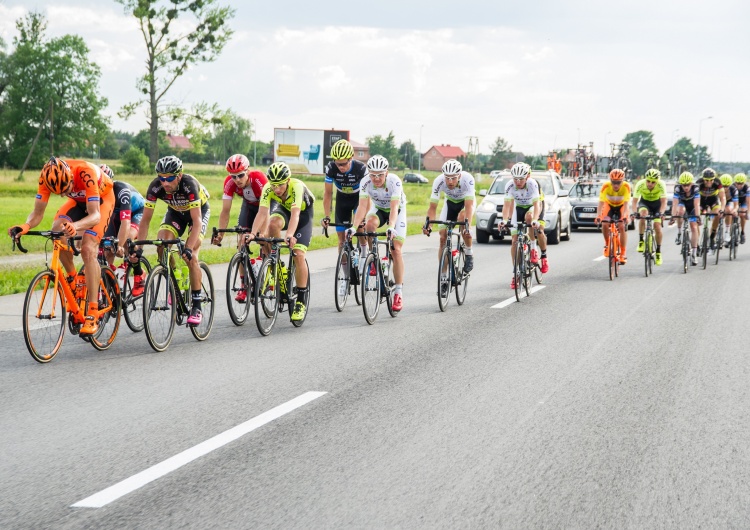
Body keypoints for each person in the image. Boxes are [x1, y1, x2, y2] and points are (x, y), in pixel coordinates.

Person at [8, 157, 115, 335]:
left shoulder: (85, 172)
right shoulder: (46, 177)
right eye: (60, 193)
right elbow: (37, 213)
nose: (65, 194)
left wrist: (76, 226)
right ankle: (73, 280)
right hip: (78, 202)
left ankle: (93, 313)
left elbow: (95, 215)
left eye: (67, 188)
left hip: (102, 201)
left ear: (71, 177)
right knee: (56, 230)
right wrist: (25, 227)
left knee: (88, 249)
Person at [135, 155, 210, 326]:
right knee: (161, 244)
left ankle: (197, 306)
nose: (165, 183)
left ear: (179, 175)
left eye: (169, 178)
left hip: (198, 214)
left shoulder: (189, 185)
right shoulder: (155, 187)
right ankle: (174, 275)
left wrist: (189, 248)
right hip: (176, 213)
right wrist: (138, 248)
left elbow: (197, 221)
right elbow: (145, 220)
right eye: (162, 178)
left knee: (191, 256)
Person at [247, 162, 315, 322]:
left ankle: (301, 300)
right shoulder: (268, 188)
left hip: (303, 214)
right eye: (274, 185)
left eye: (280, 185)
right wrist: (252, 233)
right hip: (284, 209)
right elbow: (262, 212)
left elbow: (295, 215)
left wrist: (290, 235)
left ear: (288, 180)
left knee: (298, 254)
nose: (276, 189)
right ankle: (277, 263)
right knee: (272, 224)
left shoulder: (297, 187)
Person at [346, 155, 406, 311]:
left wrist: (391, 226)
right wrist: (354, 227)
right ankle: (374, 258)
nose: (376, 178)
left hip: (397, 211)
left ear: (386, 172)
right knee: (370, 225)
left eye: (380, 174)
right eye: (373, 174)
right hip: (378, 209)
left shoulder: (394, 181)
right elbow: (362, 207)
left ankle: (398, 292)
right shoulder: (365, 182)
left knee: (396, 249)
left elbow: (394, 208)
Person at [211, 154, 268, 303]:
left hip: (266, 207)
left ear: (248, 171)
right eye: (233, 176)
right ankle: (244, 286)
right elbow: (225, 211)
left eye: (241, 175)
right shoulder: (229, 183)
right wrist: (221, 235)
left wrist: (260, 231)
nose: (237, 180)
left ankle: (268, 271)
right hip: (249, 207)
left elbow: (265, 210)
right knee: (241, 242)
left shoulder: (259, 179)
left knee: (263, 238)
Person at [422, 159, 476, 287]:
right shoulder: (438, 181)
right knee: (442, 237)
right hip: (450, 203)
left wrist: (467, 225)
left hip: (465, 203)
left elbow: (469, 206)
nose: (450, 181)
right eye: (447, 178)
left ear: (459, 176)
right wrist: (428, 225)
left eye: (453, 178)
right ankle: (444, 277)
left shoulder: (468, 179)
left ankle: (469, 253)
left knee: (463, 219)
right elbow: (433, 207)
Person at [99, 164, 147, 296]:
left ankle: (139, 274)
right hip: (117, 214)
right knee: (108, 247)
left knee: (127, 240)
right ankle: (108, 281)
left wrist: (120, 245)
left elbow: (125, 222)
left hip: (136, 211)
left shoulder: (121, 191)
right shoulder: (95, 193)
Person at [496, 162, 542, 289]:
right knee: (515, 241)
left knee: (529, 219)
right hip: (518, 208)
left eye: (521, 179)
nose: (518, 182)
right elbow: (507, 205)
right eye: (515, 179)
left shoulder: (532, 184)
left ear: (527, 177)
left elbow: (537, 205)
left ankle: (533, 247)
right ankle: (515, 272)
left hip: (531, 207)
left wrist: (535, 220)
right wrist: (505, 220)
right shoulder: (509, 185)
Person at [321, 139, 369, 256]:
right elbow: (328, 194)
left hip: (359, 198)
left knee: (359, 228)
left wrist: (364, 217)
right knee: (341, 240)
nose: (340, 167)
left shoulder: (361, 169)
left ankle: (364, 251)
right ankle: (345, 273)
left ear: (351, 158)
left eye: (343, 164)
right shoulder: (331, 168)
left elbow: (367, 197)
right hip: (342, 199)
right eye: (338, 164)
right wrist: (327, 216)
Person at [631, 168, 667, 265]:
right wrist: (635, 212)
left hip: (657, 204)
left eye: (653, 182)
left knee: (657, 227)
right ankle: (641, 240)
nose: (650, 184)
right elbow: (634, 202)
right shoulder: (640, 184)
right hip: (645, 203)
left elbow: (664, 202)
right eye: (648, 181)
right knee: (643, 215)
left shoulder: (661, 184)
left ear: (657, 182)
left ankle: (658, 252)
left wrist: (662, 213)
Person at [595, 168, 631, 263]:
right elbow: (601, 203)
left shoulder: (626, 186)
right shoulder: (605, 186)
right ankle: (607, 244)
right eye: (613, 182)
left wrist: (625, 216)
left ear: (622, 181)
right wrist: (598, 216)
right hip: (609, 206)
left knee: (621, 226)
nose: (615, 185)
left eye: (618, 182)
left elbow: (627, 204)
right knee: (605, 223)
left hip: (621, 206)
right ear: (610, 181)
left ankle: (623, 253)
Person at [669, 171, 702, 265]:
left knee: (694, 227)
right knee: (680, 211)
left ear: (691, 183)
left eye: (688, 185)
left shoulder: (695, 188)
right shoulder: (678, 188)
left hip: (692, 206)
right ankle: (679, 232)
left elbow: (697, 204)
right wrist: (672, 216)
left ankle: (694, 254)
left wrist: (698, 216)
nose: (686, 187)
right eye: (684, 185)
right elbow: (675, 203)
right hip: (682, 204)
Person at [696, 167, 726, 252]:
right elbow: (695, 199)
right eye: (706, 180)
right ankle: (696, 243)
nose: (709, 182)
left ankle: (712, 236)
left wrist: (722, 209)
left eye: (711, 180)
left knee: (717, 214)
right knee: (695, 218)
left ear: (714, 179)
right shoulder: (699, 183)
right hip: (702, 200)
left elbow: (723, 197)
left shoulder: (717, 182)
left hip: (713, 200)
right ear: (703, 179)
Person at [719, 174, 739, 246]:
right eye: (723, 186)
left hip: (730, 202)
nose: (724, 188)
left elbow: (736, 205)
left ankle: (727, 231)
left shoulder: (734, 189)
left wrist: (735, 210)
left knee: (729, 210)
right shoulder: (717, 188)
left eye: (727, 186)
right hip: (720, 201)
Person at [734, 173, 748, 243]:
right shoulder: (732, 187)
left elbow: (748, 201)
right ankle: (730, 231)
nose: (739, 185)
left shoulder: (747, 188)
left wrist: (747, 212)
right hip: (733, 201)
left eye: (741, 183)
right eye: (737, 183)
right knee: (730, 214)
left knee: (742, 215)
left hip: (743, 202)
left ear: (744, 182)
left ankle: (742, 232)